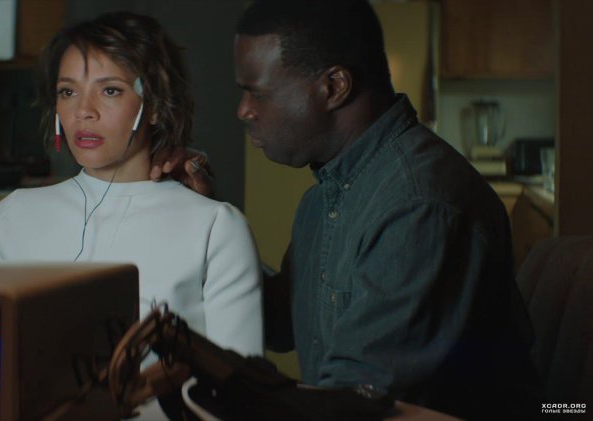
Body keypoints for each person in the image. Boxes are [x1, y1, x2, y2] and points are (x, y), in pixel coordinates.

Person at [155, 0, 540, 418]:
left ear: (335, 86)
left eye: (259, 93)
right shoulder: (328, 196)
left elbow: (354, 405)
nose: (244, 110)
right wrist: (204, 218)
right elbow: (284, 323)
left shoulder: (419, 207)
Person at [0, 12, 263, 414]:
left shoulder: (215, 227)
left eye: (110, 90)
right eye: (67, 91)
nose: (83, 111)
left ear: (155, 105)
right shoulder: (14, 216)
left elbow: (240, 398)